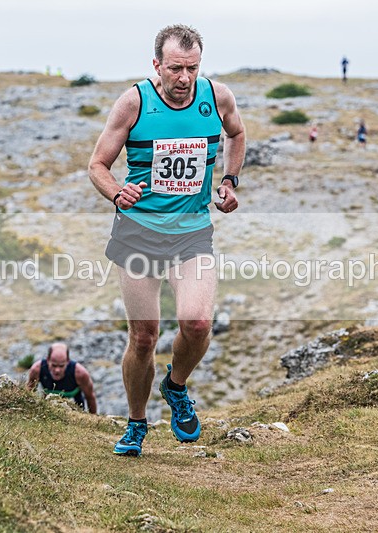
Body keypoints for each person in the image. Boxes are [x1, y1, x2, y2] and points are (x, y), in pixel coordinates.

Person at [88, 24, 245, 457]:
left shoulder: (217, 97)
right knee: (143, 336)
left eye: (192, 68)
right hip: (137, 234)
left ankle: (175, 387)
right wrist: (117, 191)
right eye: (175, 68)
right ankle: (136, 424)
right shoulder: (134, 102)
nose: (184, 78)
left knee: (197, 324)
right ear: (157, 65)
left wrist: (230, 180)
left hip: (192, 233)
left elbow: (236, 133)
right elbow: (97, 165)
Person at [27, 342, 97, 414]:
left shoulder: (81, 373)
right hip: (48, 400)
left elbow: (90, 397)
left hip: (76, 400)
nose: (57, 370)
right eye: (54, 365)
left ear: (68, 361)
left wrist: (93, 419)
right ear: (48, 360)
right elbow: (29, 393)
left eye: (61, 366)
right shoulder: (37, 369)